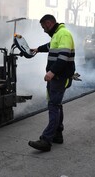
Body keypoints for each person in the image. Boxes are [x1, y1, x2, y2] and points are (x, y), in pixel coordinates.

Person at [28, 14, 75, 152]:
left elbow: (63, 56)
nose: (44, 30)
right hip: (58, 77)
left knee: (53, 106)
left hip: (59, 77)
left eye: (44, 27)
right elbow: (50, 47)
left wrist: (52, 72)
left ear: (49, 23)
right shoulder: (57, 35)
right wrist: (37, 49)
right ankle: (58, 134)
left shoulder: (63, 34)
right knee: (57, 105)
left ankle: (46, 140)